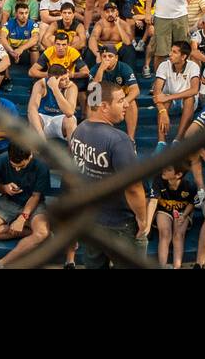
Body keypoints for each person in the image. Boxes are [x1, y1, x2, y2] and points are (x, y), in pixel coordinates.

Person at [68, 78, 151, 268]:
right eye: (120, 100)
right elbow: (133, 187)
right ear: (104, 106)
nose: (126, 104)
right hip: (119, 223)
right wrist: (142, 218)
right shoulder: (120, 141)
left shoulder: (79, 130)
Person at [0, 143, 51, 269]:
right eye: (14, 166)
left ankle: (1, 263)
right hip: (9, 200)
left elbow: (36, 196)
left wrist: (22, 218)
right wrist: (4, 188)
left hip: (33, 203)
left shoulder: (41, 165)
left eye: (21, 166)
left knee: (42, 233)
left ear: (29, 157)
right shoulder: (2, 159)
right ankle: (29, 233)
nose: (17, 169)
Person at [152, 39, 200, 150]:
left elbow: (194, 90)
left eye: (174, 52)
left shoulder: (193, 66)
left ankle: (178, 139)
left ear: (183, 56)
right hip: (170, 101)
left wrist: (169, 97)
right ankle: (161, 143)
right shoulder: (164, 65)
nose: (170, 54)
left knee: (189, 98)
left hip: (187, 101)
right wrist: (163, 112)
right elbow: (157, 93)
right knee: (165, 100)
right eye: (171, 51)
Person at [148, 162, 197, 269]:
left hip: (182, 211)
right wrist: (147, 225)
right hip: (164, 210)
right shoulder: (158, 180)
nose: (164, 170)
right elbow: (153, 202)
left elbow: (192, 203)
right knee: (165, 233)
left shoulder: (189, 185)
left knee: (178, 235)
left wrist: (184, 216)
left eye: (168, 169)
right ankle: (162, 266)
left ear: (178, 175)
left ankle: (176, 267)